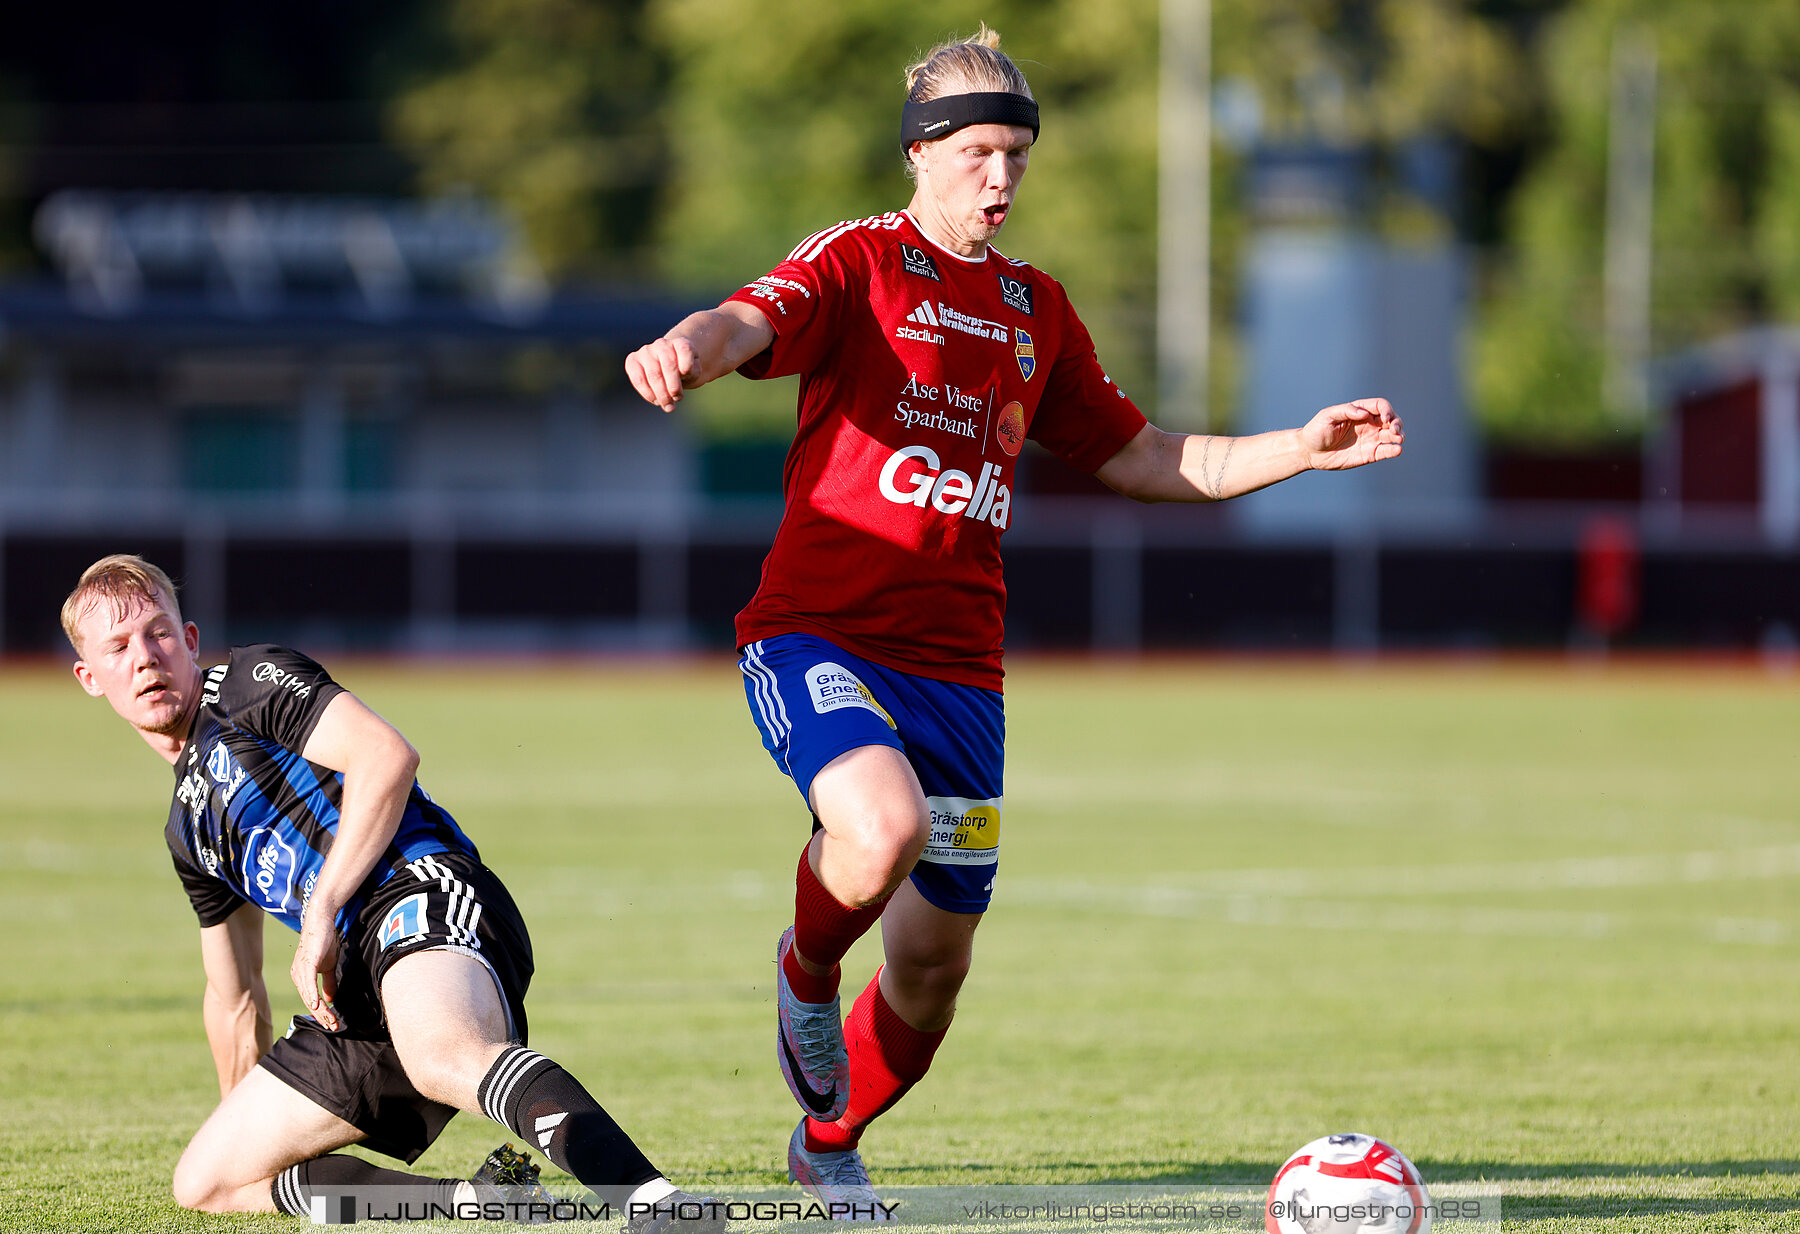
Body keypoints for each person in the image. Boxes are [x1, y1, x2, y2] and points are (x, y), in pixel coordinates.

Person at [623, 25, 1404, 1210]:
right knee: (875, 831)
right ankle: (806, 967)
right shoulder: (862, 262)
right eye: (981, 152)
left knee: (934, 966)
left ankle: (828, 1144)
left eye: (1019, 158)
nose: (1002, 179)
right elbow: (749, 321)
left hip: (961, 675)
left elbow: (1145, 455)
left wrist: (1298, 447)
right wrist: (686, 346)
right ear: (921, 154)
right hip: (818, 633)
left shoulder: (1037, 310)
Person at [64, 554, 721, 1230]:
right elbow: (233, 995)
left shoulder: (247, 683)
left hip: (419, 889)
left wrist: (320, 912)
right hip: (351, 981)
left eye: (159, 633)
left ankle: (660, 1208)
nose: (146, 657)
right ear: (90, 677)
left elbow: (386, 755)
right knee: (210, 1181)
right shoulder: (187, 831)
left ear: (192, 640)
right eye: (118, 646)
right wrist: (245, 1112)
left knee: (443, 1055)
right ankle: (479, 1202)